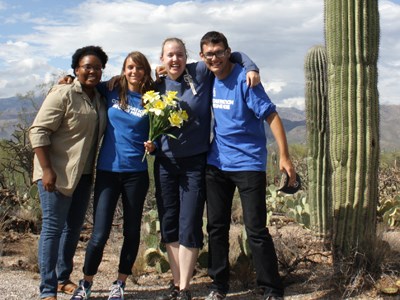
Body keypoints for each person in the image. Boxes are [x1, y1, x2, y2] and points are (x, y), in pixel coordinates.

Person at [154, 37, 260, 300]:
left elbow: (231, 56)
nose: (175, 59)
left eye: (179, 54)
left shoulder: (199, 71)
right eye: (169, 55)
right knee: (169, 223)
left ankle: (185, 289)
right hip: (165, 163)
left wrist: (251, 67)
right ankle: (177, 283)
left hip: (195, 163)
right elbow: (127, 87)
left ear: (188, 56)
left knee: (189, 222)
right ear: (162, 59)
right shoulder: (155, 84)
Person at [199, 31, 296, 300]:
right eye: (209, 54)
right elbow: (176, 69)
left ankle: (271, 288)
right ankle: (218, 285)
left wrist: (284, 157)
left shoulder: (245, 79)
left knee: (255, 229)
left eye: (220, 52)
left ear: (228, 52)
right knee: (216, 227)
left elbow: (272, 116)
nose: (215, 58)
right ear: (202, 56)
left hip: (249, 164)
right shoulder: (207, 76)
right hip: (216, 164)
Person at [69, 51, 156, 300]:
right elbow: (88, 82)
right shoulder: (111, 90)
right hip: (108, 170)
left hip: (136, 174)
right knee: (99, 233)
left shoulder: (152, 101)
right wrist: (67, 77)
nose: (134, 72)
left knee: (132, 231)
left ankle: (120, 282)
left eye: (139, 68)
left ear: (145, 71)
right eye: (130, 67)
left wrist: (154, 146)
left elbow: (158, 136)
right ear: (124, 69)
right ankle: (85, 282)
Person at [29, 46, 109, 300]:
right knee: (53, 228)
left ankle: (63, 278)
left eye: (97, 67)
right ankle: (47, 289)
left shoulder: (98, 97)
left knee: (73, 229)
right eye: (87, 66)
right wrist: (47, 170)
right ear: (76, 69)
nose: (92, 71)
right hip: (56, 173)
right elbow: (38, 131)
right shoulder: (63, 93)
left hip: (83, 175)